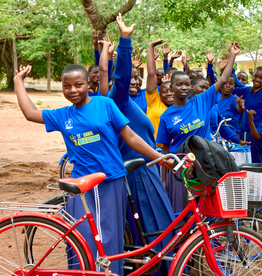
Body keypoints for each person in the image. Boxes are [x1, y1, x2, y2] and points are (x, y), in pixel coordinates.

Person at [12, 14, 161, 275]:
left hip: (111, 180)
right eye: (67, 86)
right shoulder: (62, 115)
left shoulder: (105, 104)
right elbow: (30, 113)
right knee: (81, 241)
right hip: (82, 185)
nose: (72, 90)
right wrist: (18, 83)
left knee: (110, 241)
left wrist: (157, 156)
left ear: (86, 85)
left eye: (78, 84)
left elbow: (131, 137)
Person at [98, 29, 175, 275]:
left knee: (160, 225)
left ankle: (164, 267)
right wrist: (125, 41)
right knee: (150, 227)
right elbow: (114, 76)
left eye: (136, 78)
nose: (133, 81)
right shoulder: (117, 100)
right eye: (129, 78)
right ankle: (152, 270)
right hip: (136, 175)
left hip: (148, 170)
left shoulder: (134, 101)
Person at [156, 43, 240, 213]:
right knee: (184, 214)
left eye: (187, 84)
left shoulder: (201, 100)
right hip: (180, 172)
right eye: (179, 85)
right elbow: (165, 152)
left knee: (207, 211)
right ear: (171, 88)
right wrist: (163, 180)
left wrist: (233, 55)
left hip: (205, 167)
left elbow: (223, 80)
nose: (184, 88)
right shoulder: (167, 116)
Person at [232, 63, 262, 163]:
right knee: (245, 164)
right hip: (244, 134)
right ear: (252, 76)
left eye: (261, 78)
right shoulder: (247, 90)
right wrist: (229, 66)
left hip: (257, 136)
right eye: (256, 76)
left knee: (257, 165)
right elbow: (229, 87)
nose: (258, 79)